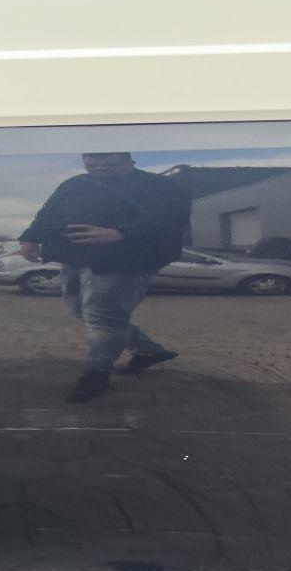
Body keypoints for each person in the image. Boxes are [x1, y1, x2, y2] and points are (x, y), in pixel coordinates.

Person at [19, 152, 190, 402]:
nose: (99, 169)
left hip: (124, 261)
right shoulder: (75, 184)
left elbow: (172, 218)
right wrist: (30, 239)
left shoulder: (157, 185)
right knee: (80, 310)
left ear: (129, 161)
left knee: (104, 319)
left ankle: (96, 376)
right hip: (76, 257)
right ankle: (148, 351)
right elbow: (49, 212)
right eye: (91, 164)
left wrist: (120, 232)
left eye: (108, 164)